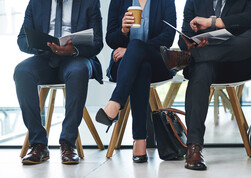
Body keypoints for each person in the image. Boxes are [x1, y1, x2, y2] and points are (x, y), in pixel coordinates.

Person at [160, 0, 251, 171]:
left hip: (237, 64)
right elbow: (184, 39)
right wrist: (191, 43)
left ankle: (193, 56)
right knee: (201, 70)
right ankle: (194, 148)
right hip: (208, 65)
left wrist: (214, 22)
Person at [14, 0, 103, 165]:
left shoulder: (89, 3)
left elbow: (97, 43)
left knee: (78, 71)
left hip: (76, 58)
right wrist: (43, 45)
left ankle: (68, 143)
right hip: (45, 58)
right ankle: (38, 144)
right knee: (22, 72)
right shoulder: (36, 3)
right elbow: (22, 40)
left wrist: (73, 50)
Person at [95, 0, 176, 163]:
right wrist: (123, 30)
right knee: (142, 69)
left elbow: (168, 37)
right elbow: (110, 39)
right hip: (125, 66)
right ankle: (140, 141)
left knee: (138, 50)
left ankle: (115, 103)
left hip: (157, 63)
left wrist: (133, 50)